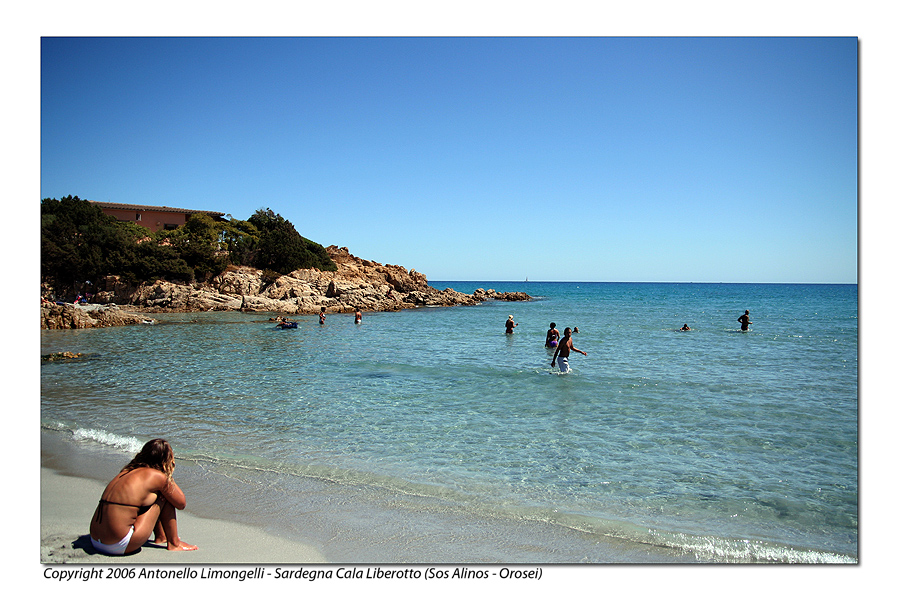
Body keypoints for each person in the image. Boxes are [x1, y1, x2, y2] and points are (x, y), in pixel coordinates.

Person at [89, 438, 197, 555]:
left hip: (95, 540)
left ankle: (161, 537)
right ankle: (174, 543)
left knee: (153, 495)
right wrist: (167, 475)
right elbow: (181, 503)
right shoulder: (157, 477)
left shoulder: (126, 471)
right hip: (118, 544)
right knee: (165, 495)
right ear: (166, 459)